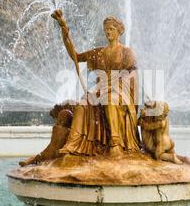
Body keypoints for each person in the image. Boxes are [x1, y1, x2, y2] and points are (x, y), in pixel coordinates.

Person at [51, 10, 141, 156]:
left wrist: (114, 87)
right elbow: (75, 56)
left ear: (119, 32)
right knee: (82, 104)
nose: (108, 32)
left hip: (120, 93)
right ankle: (72, 145)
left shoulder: (126, 52)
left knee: (110, 100)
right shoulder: (98, 52)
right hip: (100, 91)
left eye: (111, 29)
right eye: (106, 30)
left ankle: (115, 144)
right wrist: (64, 28)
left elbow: (132, 74)